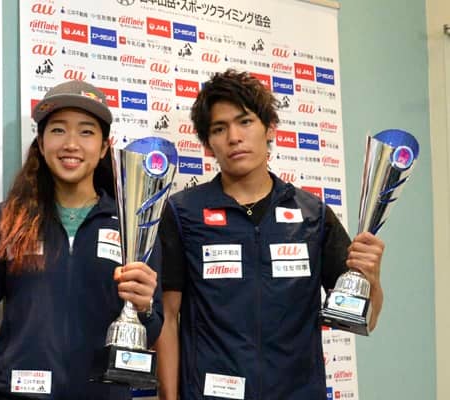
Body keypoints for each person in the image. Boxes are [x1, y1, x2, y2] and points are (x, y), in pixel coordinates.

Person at [154, 69, 385, 399]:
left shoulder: (314, 215)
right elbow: (167, 316)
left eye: (245, 122)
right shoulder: (183, 213)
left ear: (270, 128)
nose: (234, 137)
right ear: (208, 144)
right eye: (219, 128)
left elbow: (366, 319)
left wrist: (372, 278)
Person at [0, 80, 163, 399]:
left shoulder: (134, 227)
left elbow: (152, 328)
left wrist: (144, 308)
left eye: (86, 131)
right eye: (58, 130)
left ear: (104, 147)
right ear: (40, 142)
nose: (71, 144)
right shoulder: (4, 220)